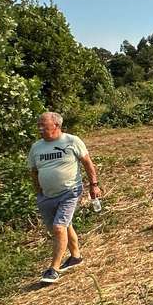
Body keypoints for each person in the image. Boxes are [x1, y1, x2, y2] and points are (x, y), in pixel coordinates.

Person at [27, 111, 100, 285]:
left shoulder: (71, 141)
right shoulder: (36, 147)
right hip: (46, 195)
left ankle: (54, 269)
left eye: (43, 125)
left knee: (59, 227)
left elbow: (87, 163)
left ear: (56, 125)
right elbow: (34, 171)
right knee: (62, 228)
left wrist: (94, 185)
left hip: (70, 191)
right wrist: (39, 193)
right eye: (39, 125)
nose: (40, 129)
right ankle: (76, 257)